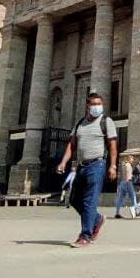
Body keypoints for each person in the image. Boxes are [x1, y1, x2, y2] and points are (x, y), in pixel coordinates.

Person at [55, 92, 118, 248]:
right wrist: (63, 162)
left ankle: (86, 236)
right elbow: (71, 145)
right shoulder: (80, 123)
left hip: (97, 165)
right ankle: (97, 219)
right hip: (82, 165)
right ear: (87, 106)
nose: (98, 107)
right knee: (75, 198)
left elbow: (112, 145)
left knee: (90, 200)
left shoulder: (106, 121)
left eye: (100, 104)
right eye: (94, 104)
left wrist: (113, 165)